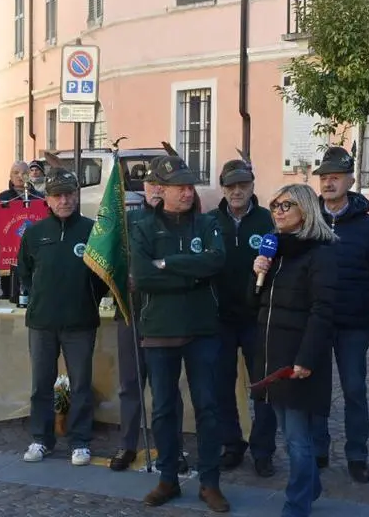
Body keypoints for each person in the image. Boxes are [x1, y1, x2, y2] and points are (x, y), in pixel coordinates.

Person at [130, 156, 229, 512]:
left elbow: (216, 262)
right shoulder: (142, 226)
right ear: (162, 191)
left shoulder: (207, 223)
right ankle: (168, 478)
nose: (187, 193)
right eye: (179, 187)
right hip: (159, 329)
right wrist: (191, 275)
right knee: (164, 409)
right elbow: (142, 276)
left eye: (190, 187)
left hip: (202, 328)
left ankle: (210, 483)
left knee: (208, 407)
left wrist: (168, 264)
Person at [252, 183, 337, 517]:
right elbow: (256, 303)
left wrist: (306, 358)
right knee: (288, 432)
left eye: (286, 205)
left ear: (306, 210)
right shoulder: (275, 252)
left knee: (298, 439)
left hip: (298, 357)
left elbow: (323, 311)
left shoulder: (321, 253)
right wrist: (256, 273)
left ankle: (297, 503)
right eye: (275, 206)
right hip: (272, 353)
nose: (278, 211)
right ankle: (311, 485)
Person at [17, 168, 109, 466]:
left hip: (80, 321)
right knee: (40, 385)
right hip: (42, 321)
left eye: (69, 194)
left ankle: (80, 441)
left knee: (81, 384)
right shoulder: (34, 234)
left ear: (76, 195)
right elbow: (25, 273)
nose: (65, 200)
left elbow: (102, 275)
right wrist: (39, 297)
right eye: (58, 196)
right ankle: (41, 439)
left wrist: (89, 297)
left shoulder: (92, 231)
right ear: (48, 199)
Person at [311, 146, 369, 482]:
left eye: (335, 178)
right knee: (316, 389)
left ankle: (357, 455)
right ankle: (318, 449)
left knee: (354, 389)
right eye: (324, 178)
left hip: (353, 323)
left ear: (350, 181)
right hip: (316, 320)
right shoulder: (307, 220)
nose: (328, 183)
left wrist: (364, 306)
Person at [110, 157, 187, 474]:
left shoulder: (184, 224)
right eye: (153, 183)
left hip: (167, 315)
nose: (157, 190)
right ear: (144, 187)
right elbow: (109, 260)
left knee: (166, 387)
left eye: (163, 185)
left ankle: (174, 449)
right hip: (132, 311)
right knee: (130, 384)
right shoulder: (128, 223)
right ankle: (128, 444)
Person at [209, 159, 278, 477]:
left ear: (252, 186)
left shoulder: (269, 221)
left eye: (243, 185)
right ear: (223, 188)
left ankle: (264, 450)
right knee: (221, 386)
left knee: (263, 387)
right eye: (231, 186)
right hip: (220, 318)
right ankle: (231, 444)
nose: (237, 191)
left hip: (258, 319)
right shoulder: (208, 222)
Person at [0, 161, 45, 298]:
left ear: (29, 175)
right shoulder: (2, 199)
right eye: (15, 173)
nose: (19, 176)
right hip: (10, 250)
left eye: (23, 173)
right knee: (10, 288)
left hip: (34, 250)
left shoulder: (39, 198)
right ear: (10, 177)